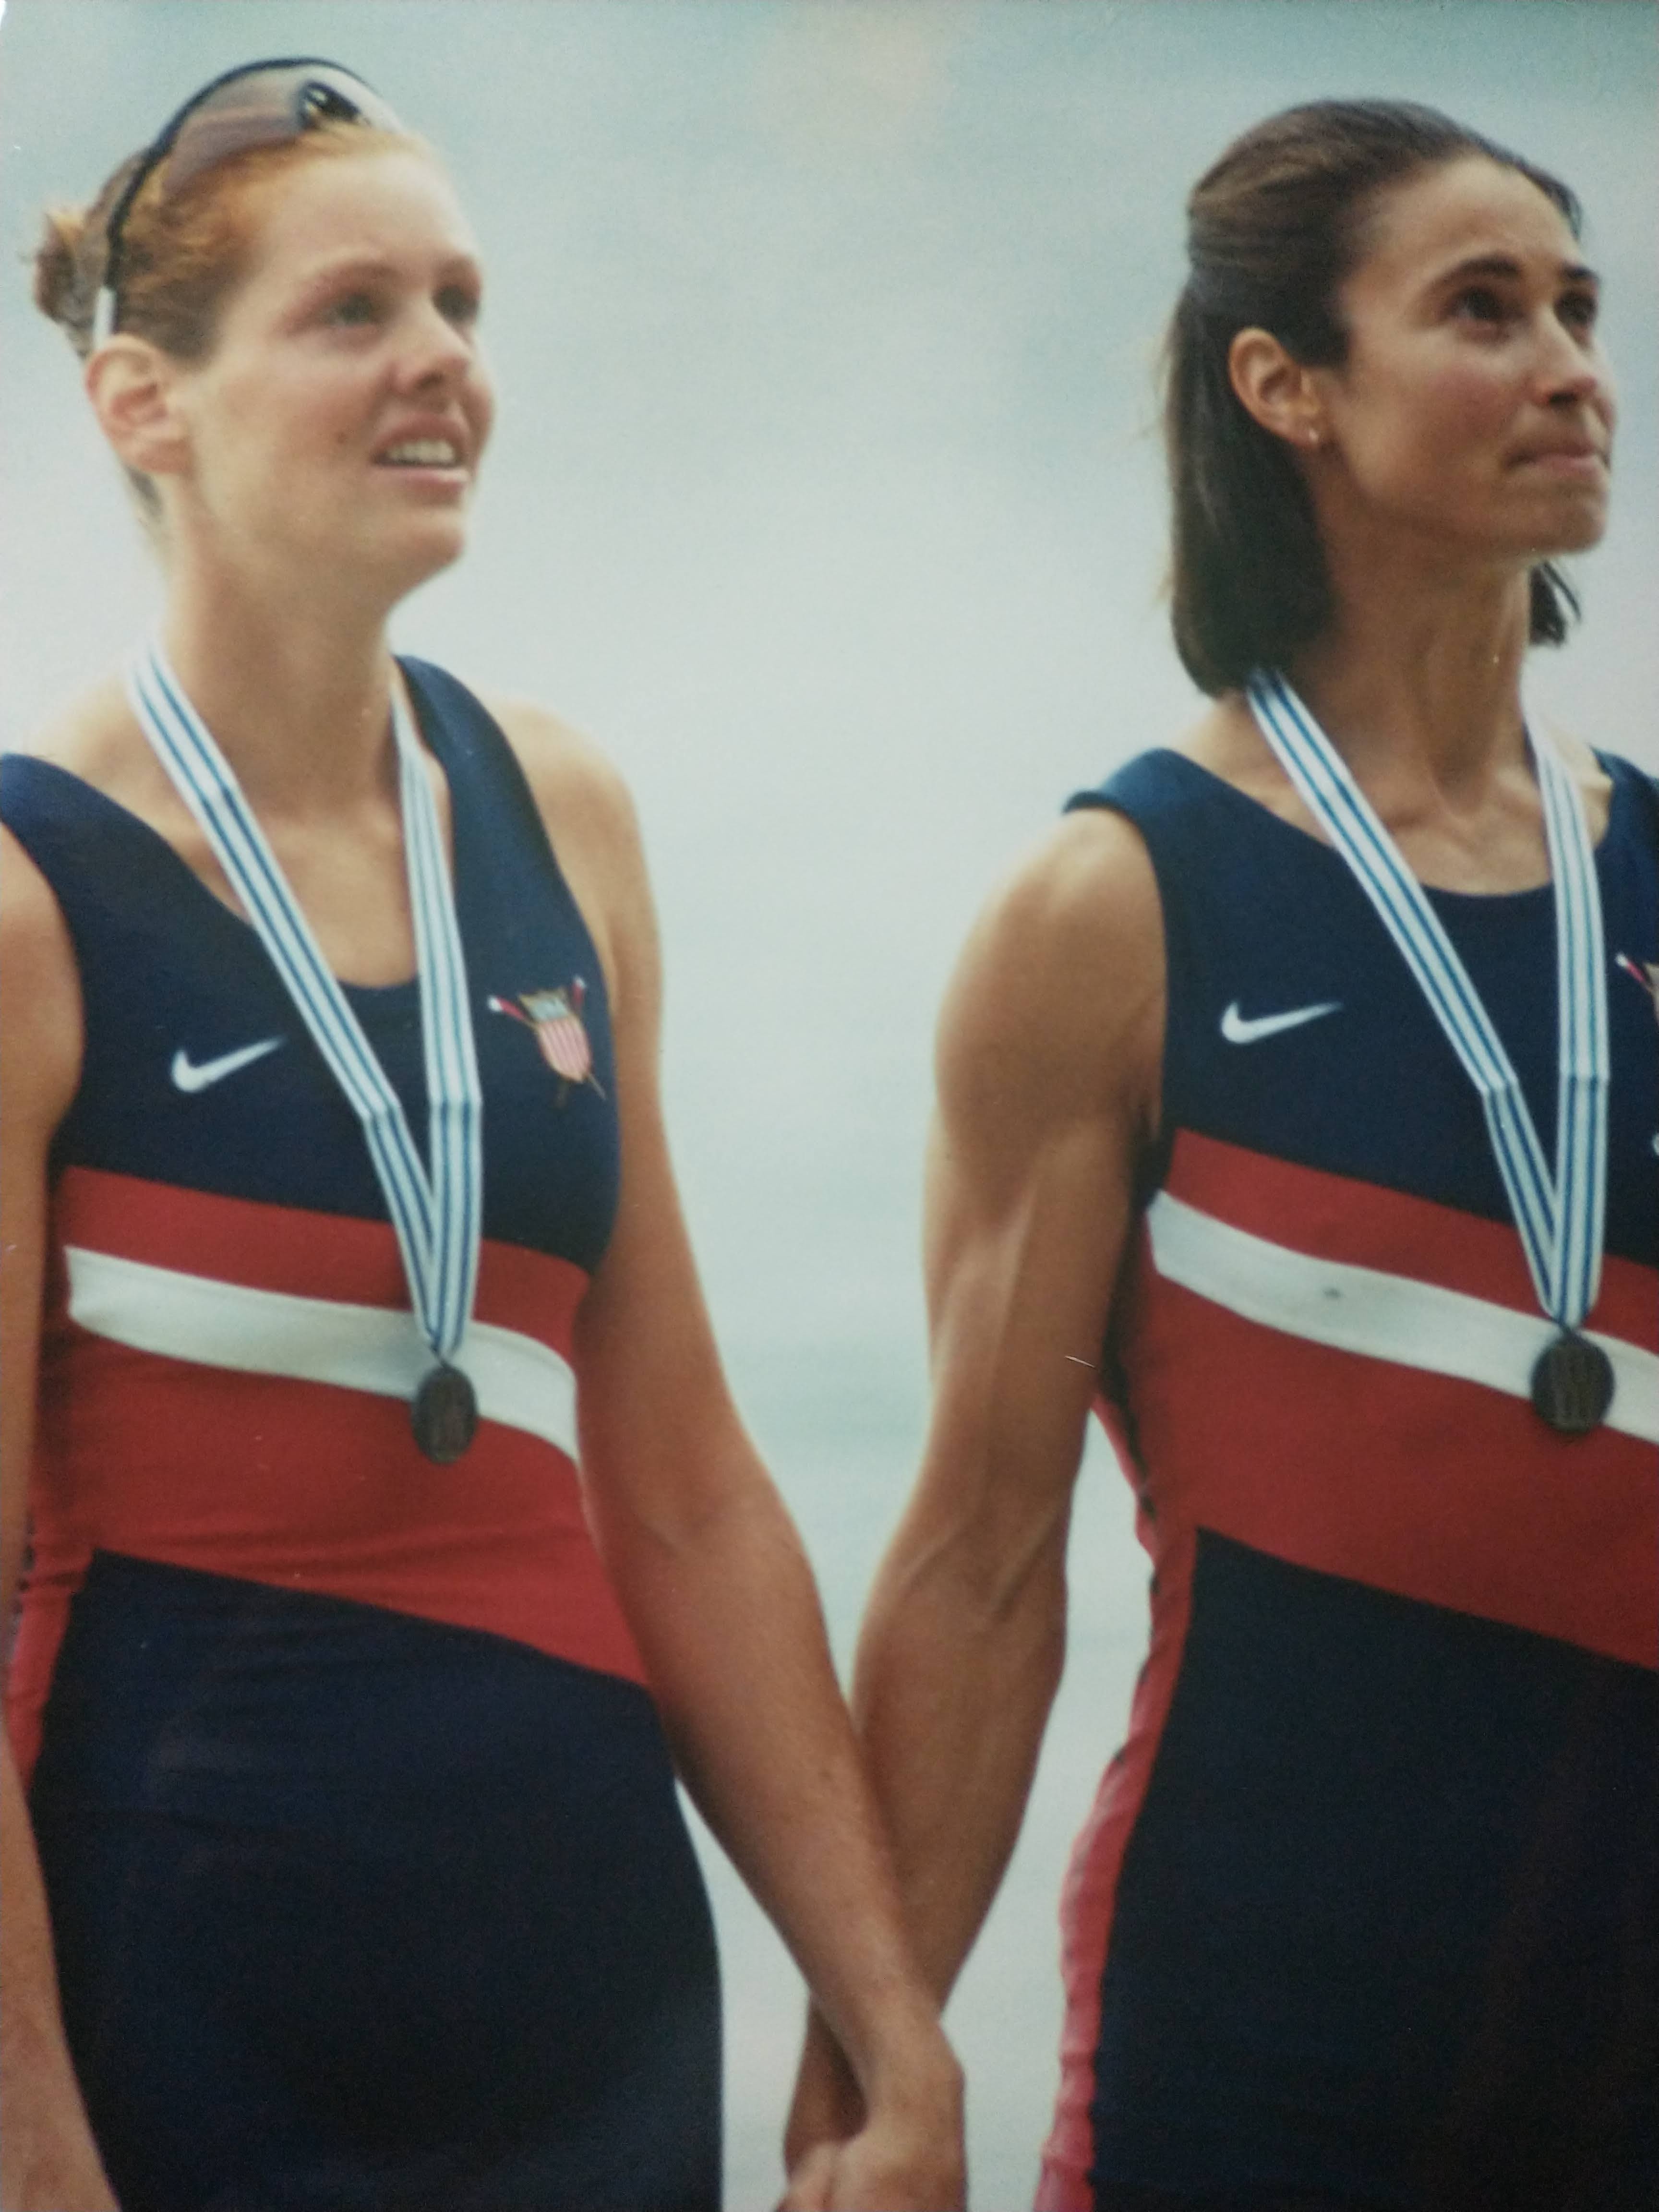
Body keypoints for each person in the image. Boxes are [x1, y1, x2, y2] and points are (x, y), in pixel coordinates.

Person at [0, 59, 965, 2212]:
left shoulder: (556, 820)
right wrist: (29, 2139)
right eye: (355, 313)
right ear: (143, 403)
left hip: (585, 1984)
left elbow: (692, 1491)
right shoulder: (30, 903)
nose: (443, 361)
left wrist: (890, 2026)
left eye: (462, 302)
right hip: (189, 1990)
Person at [786, 99, 1657, 2211]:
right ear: (1287, 387)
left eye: (1579, 306)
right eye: (1482, 310)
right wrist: (882, 2070)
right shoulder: (1110, 914)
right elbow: (982, 1566)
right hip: (1259, 2034)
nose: (1571, 366)